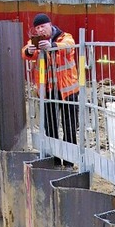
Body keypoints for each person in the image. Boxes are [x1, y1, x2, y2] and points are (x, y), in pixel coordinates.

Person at [22, 12, 79, 144]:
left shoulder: (64, 37)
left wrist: (52, 47)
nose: (40, 30)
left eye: (42, 26)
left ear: (50, 25)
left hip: (67, 90)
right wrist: (29, 51)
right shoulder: (36, 42)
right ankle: (54, 158)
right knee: (50, 127)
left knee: (69, 126)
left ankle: (69, 161)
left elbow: (69, 46)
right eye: (37, 28)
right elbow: (24, 52)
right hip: (48, 90)